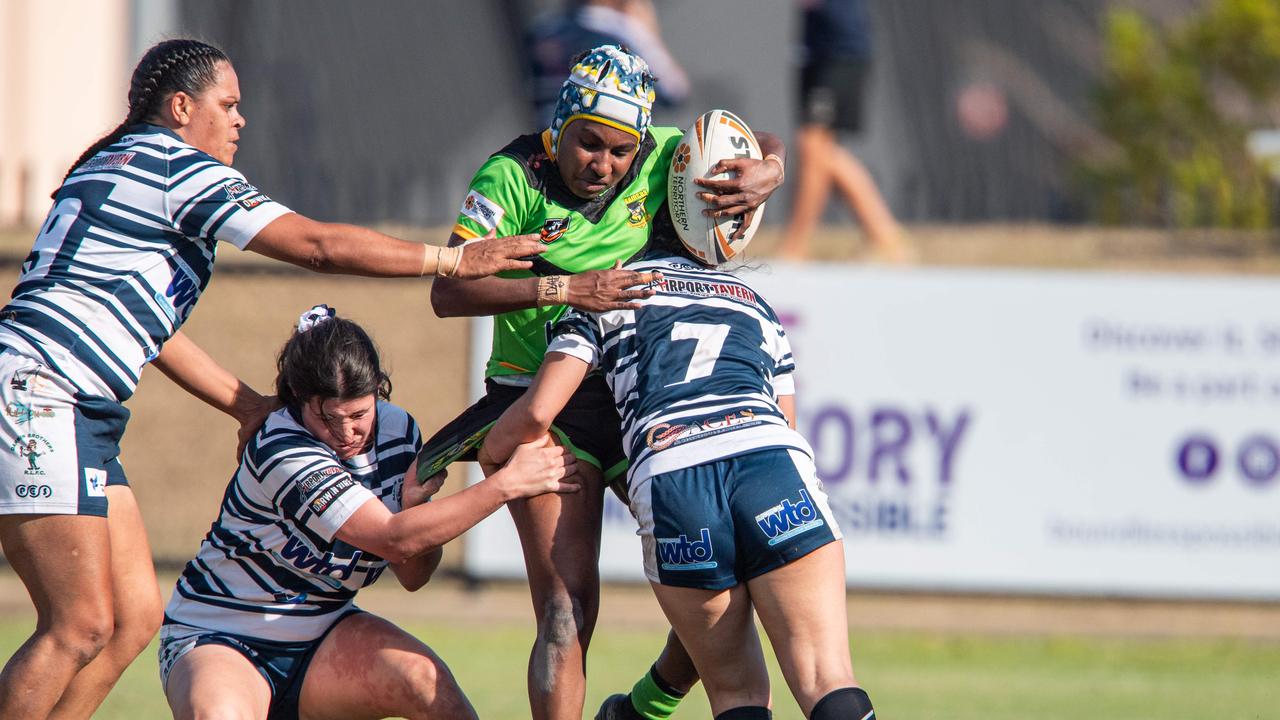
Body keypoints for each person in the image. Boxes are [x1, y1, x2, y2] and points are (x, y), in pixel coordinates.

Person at [0, 38, 545, 720]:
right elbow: (316, 245)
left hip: (72, 402)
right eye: (226, 105)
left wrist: (246, 405)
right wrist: (449, 260)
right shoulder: (178, 168)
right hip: (43, 391)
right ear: (179, 107)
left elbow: (147, 328)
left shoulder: (116, 165)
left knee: (134, 618)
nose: (239, 121)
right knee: (77, 624)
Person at [426, 45, 785, 720]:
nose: (606, 165)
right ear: (560, 124)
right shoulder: (509, 177)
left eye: (622, 152)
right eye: (590, 144)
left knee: (727, 577)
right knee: (565, 613)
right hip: (542, 401)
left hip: (633, 393)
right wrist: (566, 288)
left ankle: (643, 707)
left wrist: (770, 168)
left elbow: (748, 139)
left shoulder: (663, 153)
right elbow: (448, 292)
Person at [478, 224, 877, 720]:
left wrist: (492, 451)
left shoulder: (605, 294)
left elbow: (539, 412)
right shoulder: (752, 301)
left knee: (737, 695)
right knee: (826, 679)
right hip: (766, 462)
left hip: (673, 478)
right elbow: (787, 419)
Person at [159, 308, 578, 719]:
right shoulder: (282, 447)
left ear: (378, 388)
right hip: (221, 633)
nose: (345, 434)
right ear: (301, 402)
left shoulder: (399, 431)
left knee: (426, 682)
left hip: (324, 632)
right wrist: (507, 484)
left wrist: (416, 505)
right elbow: (392, 538)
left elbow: (414, 575)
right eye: (328, 418)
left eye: (358, 415)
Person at [777, 0, 910, 263]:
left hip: (841, 50)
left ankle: (795, 247)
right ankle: (886, 238)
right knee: (819, 150)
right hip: (816, 49)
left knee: (814, 145)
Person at [527, 0, 690, 127]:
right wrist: (647, 33)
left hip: (545, 148)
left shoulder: (543, 33)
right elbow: (673, 91)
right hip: (606, 153)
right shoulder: (622, 33)